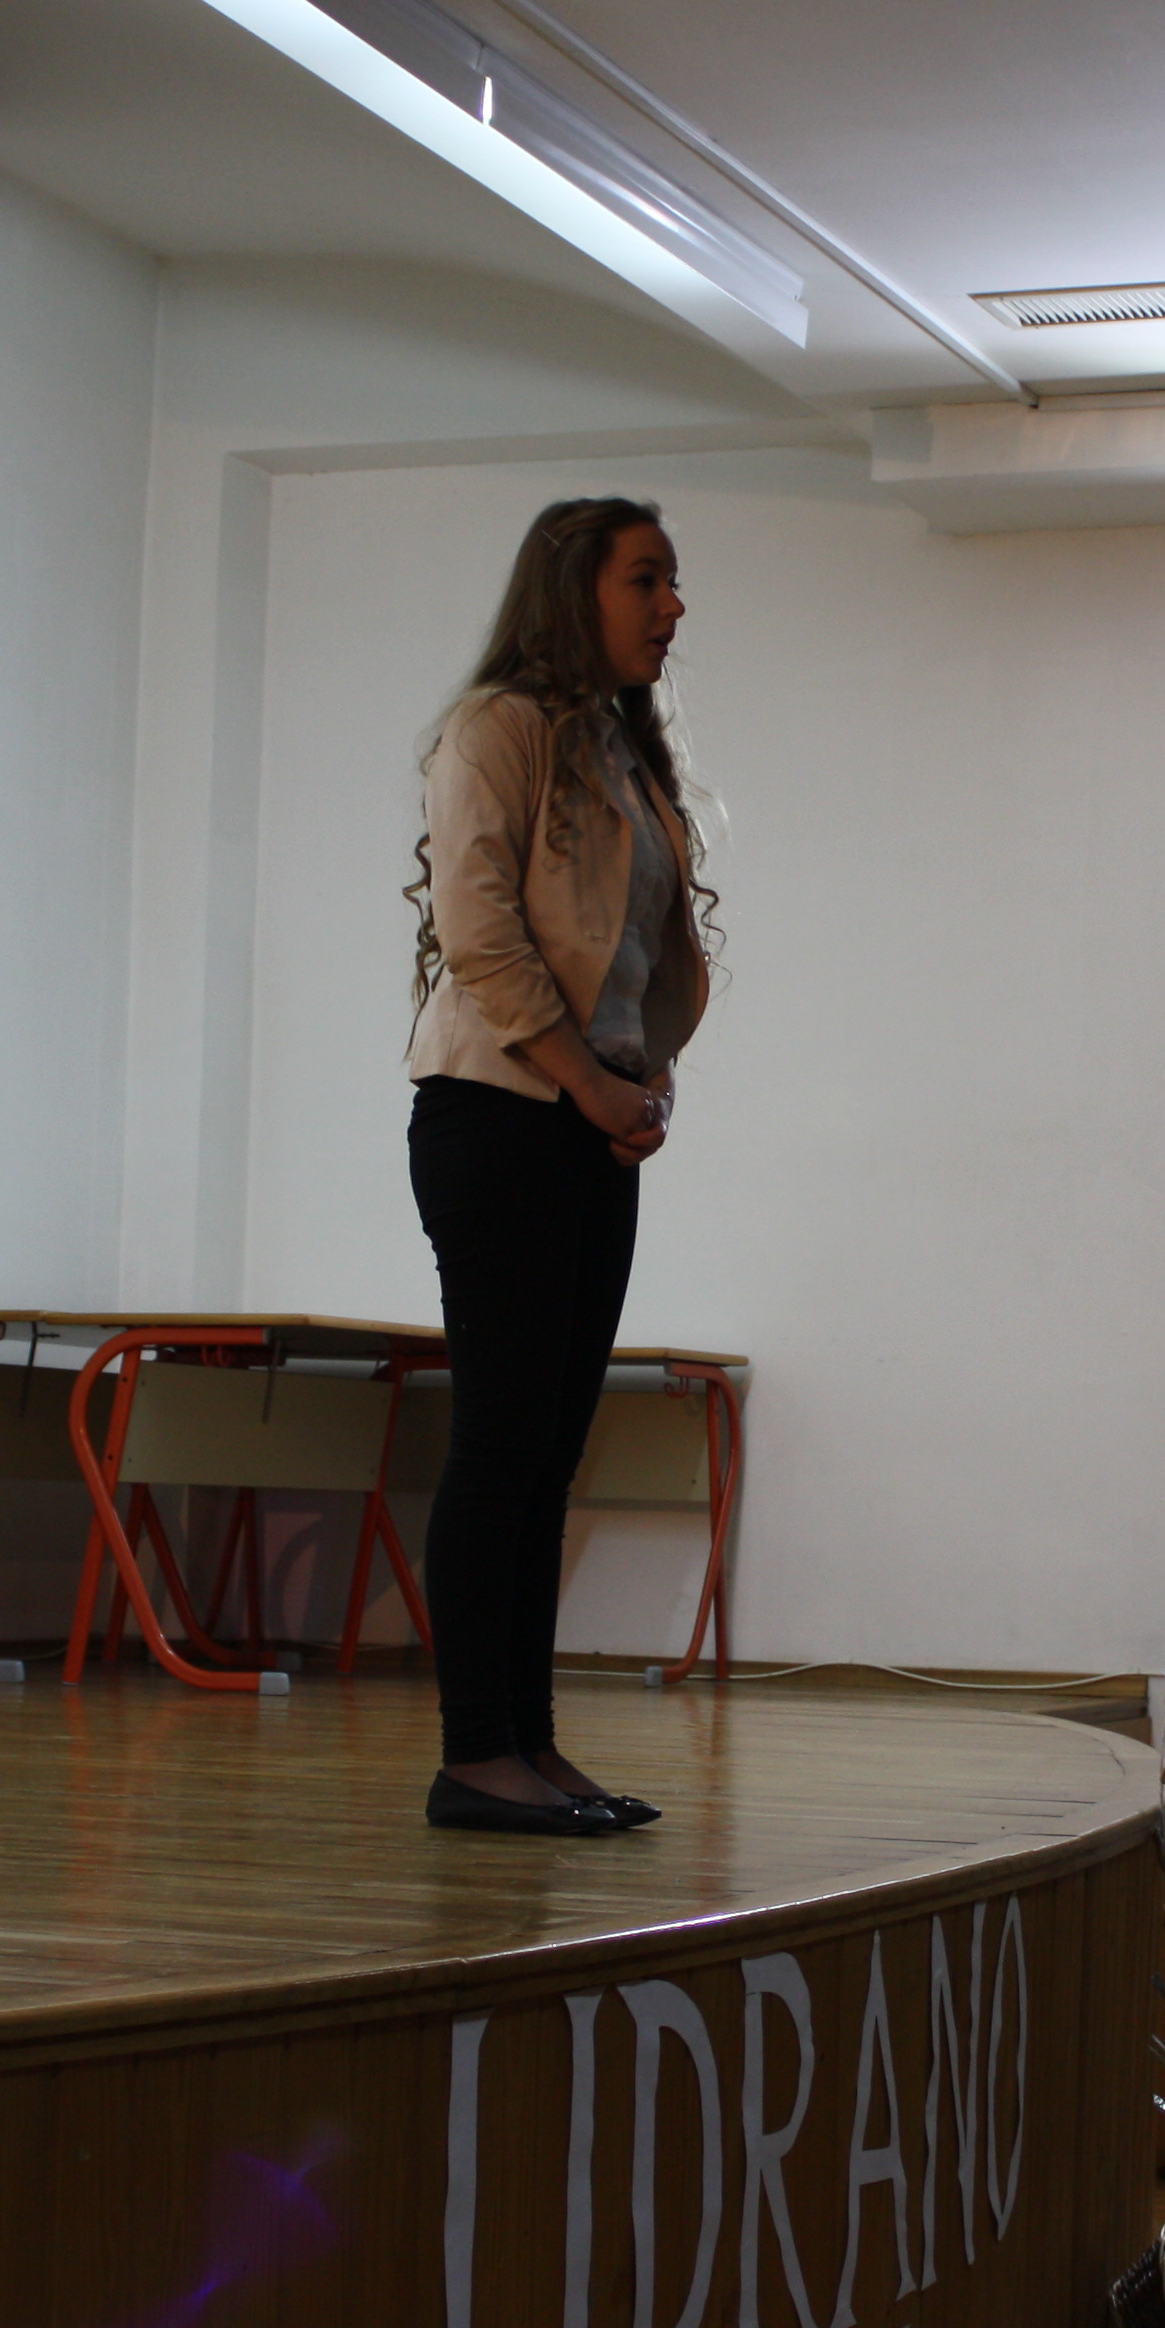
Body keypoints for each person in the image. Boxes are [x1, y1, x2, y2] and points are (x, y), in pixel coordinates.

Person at [402, 498, 711, 1836]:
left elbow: (633, 958)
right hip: (500, 1114)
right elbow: (481, 931)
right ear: (574, 589)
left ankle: (528, 1744)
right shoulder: (498, 727)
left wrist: (642, 1074)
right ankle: (476, 1756)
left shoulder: (619, 746)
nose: (673, 605)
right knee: (500, 1444)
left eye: (672, 581)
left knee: (547, 1454)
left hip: (584, 1120)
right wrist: (592, 1083)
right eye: (648, 579)